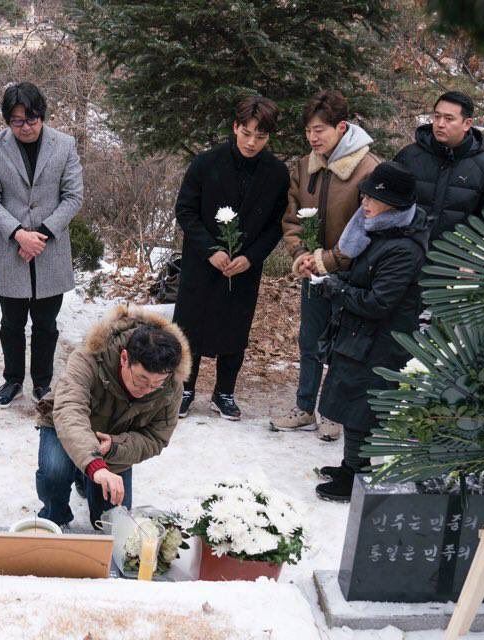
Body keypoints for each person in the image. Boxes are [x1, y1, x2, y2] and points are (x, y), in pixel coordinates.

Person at [314, 162, 429, 502]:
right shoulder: (382, 233)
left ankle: (356, 477)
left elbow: (380, 302)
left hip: (380, 342)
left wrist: (338, 290)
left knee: (362, 409)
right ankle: (349, 467)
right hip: (362, 337)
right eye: (364, 196)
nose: (364, 204)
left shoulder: (404, 248)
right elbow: (367, 278)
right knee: (352, 403)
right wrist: (339, 282)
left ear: (393, 205)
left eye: (372, 199)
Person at [271, 91, 380, 441]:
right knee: (310, 339)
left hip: (352, 273)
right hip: (311, 271)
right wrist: (300, 254)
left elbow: (367, 225)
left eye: (320, 130)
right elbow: (291, 218)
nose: (313, 137)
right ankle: (304, 406)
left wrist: (328, 261)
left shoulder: (367, 167)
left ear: (342, 127)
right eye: (308, 131)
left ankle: (332, 412)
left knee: (341, 344)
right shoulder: (305, 167)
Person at [172, 95, 289, 420]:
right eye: (247, 133)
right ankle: (184, 387)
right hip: (201, 259)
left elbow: (276, 224)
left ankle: (224, 391)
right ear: (235, 127)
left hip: (244, 266)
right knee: (190, 323)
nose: (252, 142)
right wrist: (210, 249)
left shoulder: (277, 173)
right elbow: (185, 210)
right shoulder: (206, 163)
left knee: (236, 326)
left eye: (261, 136)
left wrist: (251, 257)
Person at [0, 82, 83, 408]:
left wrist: (42, 235)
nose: (26, 127)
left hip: (51, 250)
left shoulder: (64, 145)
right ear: (8, 120)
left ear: (42, 115)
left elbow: (73, 196)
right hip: (12, 249)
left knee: (46, 324)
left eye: (32, 119)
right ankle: (12, 380)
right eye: (17, 121)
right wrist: (19, 233)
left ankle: (42, 383)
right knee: (11, 323)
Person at [35, 305, 189, 527]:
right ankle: (54, 519)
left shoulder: (172, 385)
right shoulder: (88, 358)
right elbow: (70, 410)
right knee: (54, 472)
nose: (147, 389)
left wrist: (115, 447)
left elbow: (156, 437)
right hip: (65, 426)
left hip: (115, 443)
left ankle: (84, 473)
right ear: (125, 358)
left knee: (113, 522)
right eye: (141, 380)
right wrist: (95, 465)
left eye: (156, 384)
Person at [393, 91, 484, 245]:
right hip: (404, 254)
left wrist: (474, 259)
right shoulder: (409, 156)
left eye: (449, 119)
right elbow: (385, 205)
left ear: (467, 124)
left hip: (454, 261)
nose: (440, 124)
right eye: (437, 116)